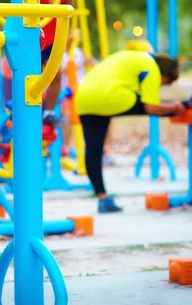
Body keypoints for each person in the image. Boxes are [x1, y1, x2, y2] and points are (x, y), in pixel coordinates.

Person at [75, 51, 186, 213]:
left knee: (93, 149)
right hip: (110, 97)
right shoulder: (152, 68)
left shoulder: (133, 57)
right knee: (146, 107)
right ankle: (187, 105)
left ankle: (102, 198)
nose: (161, 85)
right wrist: (175, 107)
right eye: (165, 82)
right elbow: (151, 107)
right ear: (165, 74)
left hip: (84, 97)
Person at [23, 0, 74, 127]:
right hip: (34, 40)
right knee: (30, 75)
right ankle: (25, 107)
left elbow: (68, 6)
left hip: (51, 40)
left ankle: (48, 111)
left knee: (57, 74)